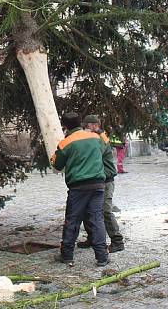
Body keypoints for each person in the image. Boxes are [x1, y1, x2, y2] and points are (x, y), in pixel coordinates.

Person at [52, 111, 109, 268]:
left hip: (78, 187)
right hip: (98, 184)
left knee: (73, 220)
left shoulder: (66, 143)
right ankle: (102, 257)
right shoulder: (95, 137)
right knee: (97, 219)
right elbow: (105, 147)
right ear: (81, 123)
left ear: (65, 126)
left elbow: (56, 164)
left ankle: (67, 256)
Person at [77, 114, 125, 253]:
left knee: (105, 211)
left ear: (94, 126)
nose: (86, 129)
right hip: (94, 180)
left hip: (106, 180)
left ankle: (117, 241)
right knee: (87, 210)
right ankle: (93, 238)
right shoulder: (93, 137)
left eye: (88, 126)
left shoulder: (100, 138)